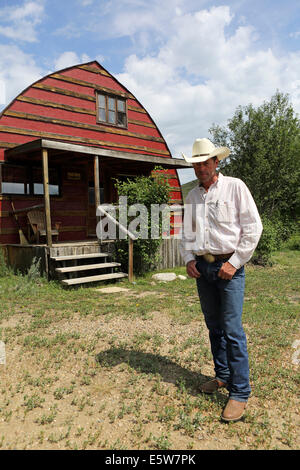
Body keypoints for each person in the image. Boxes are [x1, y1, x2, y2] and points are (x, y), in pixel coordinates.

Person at [179, 138, 263, 422]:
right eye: (197, 164)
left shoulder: (235, 187)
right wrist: (189, 259)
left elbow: (253, 228)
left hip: (230, 266)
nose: (201, 168)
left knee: (232, 330)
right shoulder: (191, 197)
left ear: (217, 162)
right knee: (214, 326)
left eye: (206, 162)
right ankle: (223, 376)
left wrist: (235, 262)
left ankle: (240, 392)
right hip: (204, 269)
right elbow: (187, 234)